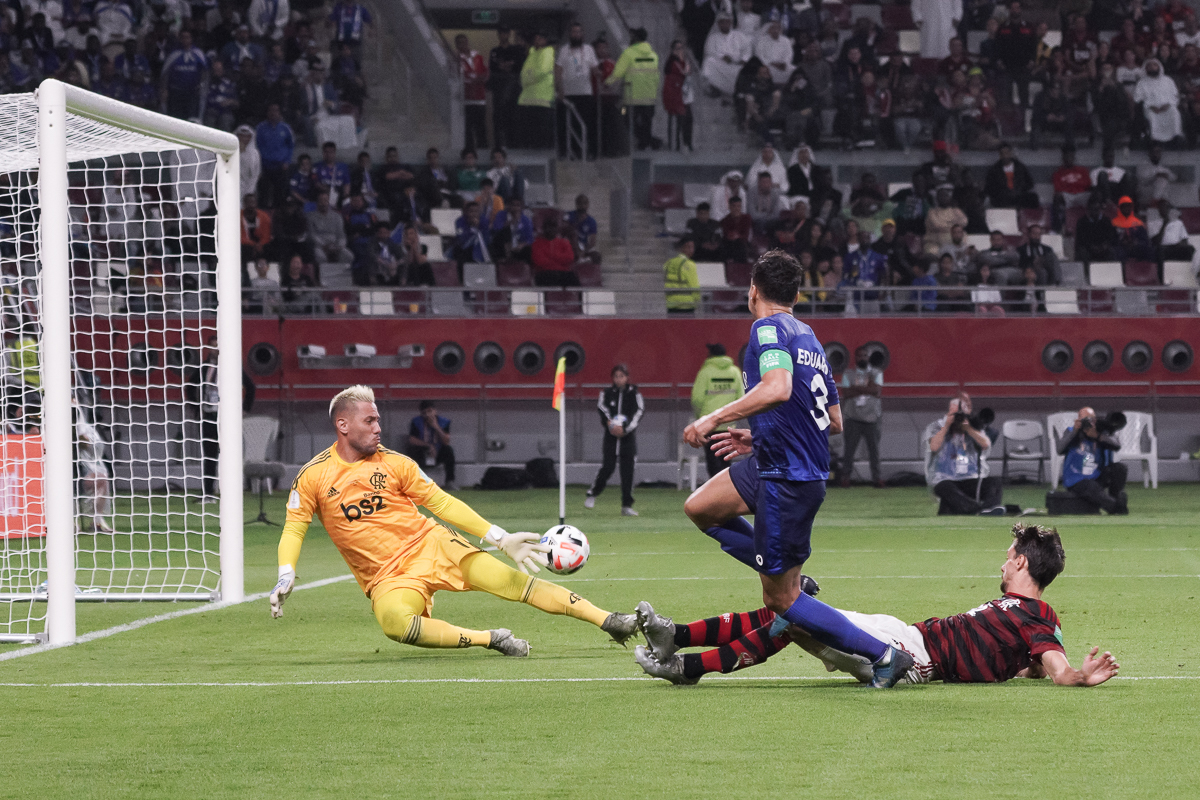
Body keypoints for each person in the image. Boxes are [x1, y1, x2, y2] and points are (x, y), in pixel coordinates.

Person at [678, 250, 915, 690]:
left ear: (752, 290)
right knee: (701, 508)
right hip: (772, 461)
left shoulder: (766, 329)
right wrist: (760, 434)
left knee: (780, 598)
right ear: (799, 294)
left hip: (788, 479)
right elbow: (834, 420)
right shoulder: (808, 337)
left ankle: (885, 655)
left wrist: (714, 418)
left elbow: (779, 387)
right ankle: (789, 572)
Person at [270, 385, 639, 657]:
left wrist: (500, 537)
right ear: (343, 425)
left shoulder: (396, 463)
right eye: (370, 421)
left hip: (433, 546)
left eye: (379, 419)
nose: (379, 427)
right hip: (387, 577)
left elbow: (442, 503)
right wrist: (286, 571)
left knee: (515, 583)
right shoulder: (314, 476)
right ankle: (491, 638)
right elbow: (294, 526)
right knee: (395, 625)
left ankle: (610, 620)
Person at [634, 524, 1120, 689]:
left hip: (911, 657)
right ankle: (674, 637)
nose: (1003, 559)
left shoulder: (1039, 617)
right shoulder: (1020, 616)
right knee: (791, 606)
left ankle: (687, 666)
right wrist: (1024, 669)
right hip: (902, 632)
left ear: (1019, 562)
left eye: (1008, 555)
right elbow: (1034, 663)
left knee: (793, 615)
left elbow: (1055, 668)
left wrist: (1078, 674)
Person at [924, 393, 1003, 515]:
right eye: (955, 413)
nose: (958, 417)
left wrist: (968, 429)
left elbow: (985, 444)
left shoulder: (973, 426)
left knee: (995, 483)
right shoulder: (936, 427)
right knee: (943, 487)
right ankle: (976, 509)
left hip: (970, 479)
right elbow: (934, 447)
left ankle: (988, 509)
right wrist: (946, 426)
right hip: (945, 479)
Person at [584, 365, 644, 516]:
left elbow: (638, 412)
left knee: (628, 472)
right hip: (610, 438)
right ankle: (593, 493)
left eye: (621, 376)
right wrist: (610, 424)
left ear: (627, 377)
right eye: (616, 376)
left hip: (627, 439)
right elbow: (601, 408)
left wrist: (625, 428)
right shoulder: (606, 393)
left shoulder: (634, 394)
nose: (619, 379)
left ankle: (626, 506)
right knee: (608, 467)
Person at [690, 343, 745, 479]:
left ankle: (716, 493)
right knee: (726, 460)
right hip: (729, 425)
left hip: (710, 425)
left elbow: (697, 399)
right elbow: (742, 397)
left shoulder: (705, 372)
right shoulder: (734, 371)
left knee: (713, 461)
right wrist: (734, 417)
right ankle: (727, 491)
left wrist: (701, 418)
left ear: (710, 355)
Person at [1059, 407, 1128, 514]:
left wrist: (1098, 436)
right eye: (1084, 419)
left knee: (1119, 468)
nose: (1088, 423)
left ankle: (1115, 497)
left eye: (1091, 419)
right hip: (1077, 478)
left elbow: (1116, 445)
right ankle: (1116, 507)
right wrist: (1075, 431)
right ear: (1078, 420)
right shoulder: (1070, 431)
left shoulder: (1100, 432)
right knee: (1092, 488)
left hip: (1096, 475)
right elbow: (1060, 449)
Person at [607, 28, 660, 151]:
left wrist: (606, 83)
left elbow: (617, 73)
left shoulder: (629, 53)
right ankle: (646, 143)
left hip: (631, 97)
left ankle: (647, 141)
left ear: (636, 38)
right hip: (649, 98)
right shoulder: (653, 55)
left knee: (625, 118)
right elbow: (656, 76)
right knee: (647, 124)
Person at [840, 346, 884, 488]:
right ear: (855, 357)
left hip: (872, 417)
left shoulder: (876, 372)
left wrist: (855, 388)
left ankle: (877, 478)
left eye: (865, 355)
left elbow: (876, 391)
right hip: (852, 417)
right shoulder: (848, 373)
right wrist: (868, 389)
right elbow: (845, 394)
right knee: (849, 450)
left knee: (874, 451)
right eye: (860, 356)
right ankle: (845, 478)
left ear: (868, 357)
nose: (862, 358)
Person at [556, 22, 599, 159]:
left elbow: (594, 68)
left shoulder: (588, 49)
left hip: (585, 92)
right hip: (568, 93)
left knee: (586, 123)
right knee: (567, 124)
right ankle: (567, 151)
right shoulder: (564, 50)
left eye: (579, 32)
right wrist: (560, 89)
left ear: (583, 34)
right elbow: (558, 70)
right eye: (574, 32)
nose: (577, 34)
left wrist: (601, 75)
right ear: (570, 34)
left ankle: (586, 151)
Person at [488, 26, 526, 149]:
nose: (502, 35)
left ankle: (514, 145)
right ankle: (500, 146)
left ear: (509, 34)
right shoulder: (495, 51)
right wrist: (506, 65)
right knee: (499, 117)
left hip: (513, 87)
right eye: (500, 33)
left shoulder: (516, 49)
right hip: (499, 88)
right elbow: (493, 67)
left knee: (514, 116)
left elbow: (519, 65)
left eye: (505, 32)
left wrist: (505, 65)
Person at [406, 400, 457, 490]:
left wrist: (436, 426)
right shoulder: (416, 422)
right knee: (411, 451)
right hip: (423, 451)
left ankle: (450, 481)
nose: (428, 415)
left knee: (448, 450)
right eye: (425, 413)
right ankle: (414, 483)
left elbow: (446, 441)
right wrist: (428, 446)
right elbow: (412, 440)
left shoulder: (444, 422)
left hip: (438, 451)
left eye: (430, 411)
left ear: (435, 411)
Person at [518, 31, 556, 150]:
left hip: (542, 99)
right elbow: (523, 73)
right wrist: (527, 77)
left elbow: (541, 71)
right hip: (528, 99)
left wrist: (527, 78)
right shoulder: (532, 53)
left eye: (541, 37)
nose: (538, 39)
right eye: (536, 37)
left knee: (542, 132)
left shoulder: (548, 52)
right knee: (529, 132)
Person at [1134, 58, 1183, 145]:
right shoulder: (1142, 83)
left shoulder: (1168, 80)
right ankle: (1155, 140)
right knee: (1152, 117)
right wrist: (1151, 106)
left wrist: (1168, 105)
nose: (1152, 68)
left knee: (1174, 112)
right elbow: (1138, 98)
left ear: (1159, 67)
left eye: (1154, 65)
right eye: (1149, 66)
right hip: (1151, 108)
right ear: (1146, 69)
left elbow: (1175, 95)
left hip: (1167, 106)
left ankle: (1176, 137)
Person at [701, 13, 750, 97]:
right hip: (721, 65)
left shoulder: (739, 35)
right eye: (722, 22)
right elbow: (709, 52)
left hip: (737, 65)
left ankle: (737, 91)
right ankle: (714, 88)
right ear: (718, 24)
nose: (724, 24)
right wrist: (722, 57)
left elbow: (747, 49)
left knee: (747, 70)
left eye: (727, 22)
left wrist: (744, 60)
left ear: (730, 23)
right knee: (708, 62)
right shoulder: (713, 37)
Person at [455, 34, 488, 152]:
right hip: (466, 99)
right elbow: (458, 77)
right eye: (459, 43)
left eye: (464, 42)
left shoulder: (478, 57)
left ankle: (483, 149)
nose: (462, 45)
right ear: (456, 45)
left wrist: (478, 78)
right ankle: (469, 151)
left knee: (481, 126)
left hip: (479, 98)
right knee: (467, 128)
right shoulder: (457, 59)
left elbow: (485, 73)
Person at [984, 142, 1039, 209]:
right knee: (997, 200)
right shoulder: (994, 170)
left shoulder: (1020, 167)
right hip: (1003, 197)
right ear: (1000, 155)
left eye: (1007, 153)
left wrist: (1020, 189)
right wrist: (1002, 192)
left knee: (1033, 198)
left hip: (1018, 195)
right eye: (1002, 153)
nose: (1005, 156)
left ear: (1010, 153)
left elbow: (1030, 183)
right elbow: (989, 187)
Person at [530, 217, 579, 287]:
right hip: (544, 273)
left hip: (563, 273)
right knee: (548, 278)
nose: (551, 230)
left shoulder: (564, 242)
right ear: (544, 229)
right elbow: (539, 261)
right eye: (548, 227)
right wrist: (559, 261)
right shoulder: (536, 243)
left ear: (557, 229)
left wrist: (552, 256)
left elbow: (570, 258)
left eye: (553, 227)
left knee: (574, 280)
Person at [199, 335, 220, 502]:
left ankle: (229, 493)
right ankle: (208, 494)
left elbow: (250, 386)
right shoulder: (204, 367)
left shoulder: (230, 367)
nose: (215, 350)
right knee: (209, 456)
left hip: (223, 417)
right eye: (212, 346)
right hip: (207, 415)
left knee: (227, 457)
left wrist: (243, 409)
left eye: (217, 346)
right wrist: (195, 407)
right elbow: (191, 386)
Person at [663, 236, 700, 313]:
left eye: (692, 247)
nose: (692, 250)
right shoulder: (689, 264)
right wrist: (697, 301)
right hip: (686, 304)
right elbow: (694, 285)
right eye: (689, 247)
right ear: (682, 248)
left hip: (671, 303)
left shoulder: (668, 263)